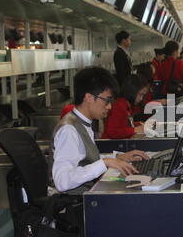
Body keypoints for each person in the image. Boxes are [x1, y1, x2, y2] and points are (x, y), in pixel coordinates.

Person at [51, 67, 148, 195]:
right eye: (107, 100)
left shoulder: (83, 123)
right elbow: (62, 181)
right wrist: (105, 163)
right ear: (89, 97)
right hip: (77, 203)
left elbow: (84, 160)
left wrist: (117, 158)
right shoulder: (69, 130)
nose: (109, 106)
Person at [102, 74, 149, 139]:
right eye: (140, 95)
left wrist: (138, 124)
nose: (141, 98)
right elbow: (112, 132)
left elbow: (124, 125)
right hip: (111, 145)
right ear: (132, 91)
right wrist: (135, 129)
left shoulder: (127, 105)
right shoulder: (118, 106)